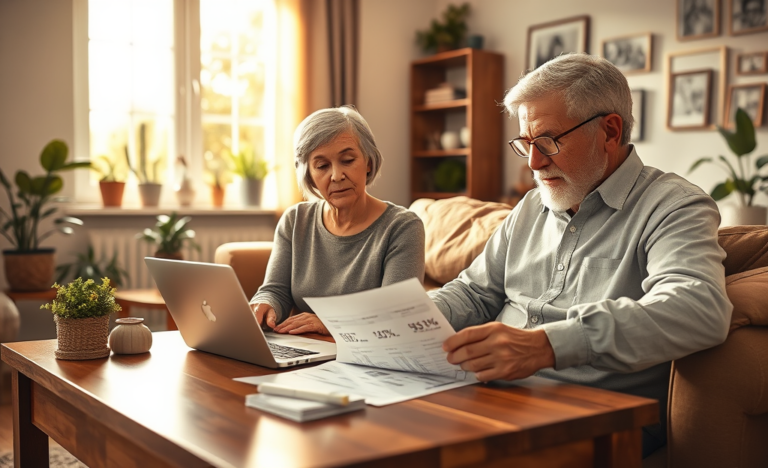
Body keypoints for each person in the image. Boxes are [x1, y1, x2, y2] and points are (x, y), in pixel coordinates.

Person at [430, 53, 732, 458]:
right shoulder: (531, 207)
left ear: (609, 130)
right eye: (526, 144)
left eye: (549, 141)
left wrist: (547, 345)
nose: (534, 163)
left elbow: (699, 307)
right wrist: (396, 319)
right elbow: (474, 293)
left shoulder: (674, 206)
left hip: (591, 416)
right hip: (491, 396)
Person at [250, 106, 425, 335]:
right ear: (309, 175)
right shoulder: (295, 221)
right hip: (304, 349)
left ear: (368, 162)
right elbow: (276, 291)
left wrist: (331, 323)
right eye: (322, 166)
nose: (336, 175)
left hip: (369, 356)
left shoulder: (402, 227)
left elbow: (397, 315)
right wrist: (266, 305)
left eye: (347, 160)